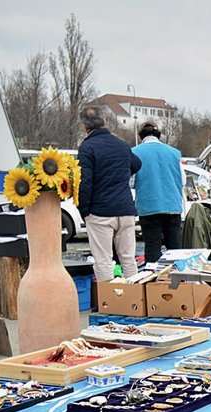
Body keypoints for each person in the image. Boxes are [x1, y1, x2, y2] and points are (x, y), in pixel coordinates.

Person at [77, 106, 141, 281]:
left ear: (85, 127)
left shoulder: (87, 148)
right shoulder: (121, 144)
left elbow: (85, 182)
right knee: (128, 259)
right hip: (125, 209)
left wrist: (83, 210)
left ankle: (110, 301)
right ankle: (134, 301)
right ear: (105, 121)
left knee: (103, 261)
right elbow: (137, 164)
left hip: (101, 212)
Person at [132, 122, 183, 263]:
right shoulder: (174, 153)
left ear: (141, 135)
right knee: (175, 248)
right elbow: (182, 180)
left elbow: (131, 181)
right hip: (172, 205)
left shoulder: (134, 153)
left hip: (148, 207)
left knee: (153, 248)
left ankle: (154, 282)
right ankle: (178, 280)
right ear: (159, 135)